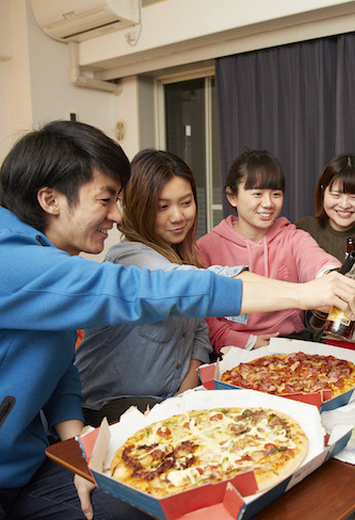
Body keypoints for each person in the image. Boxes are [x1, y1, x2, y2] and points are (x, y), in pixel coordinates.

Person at [0, 121, 355, 520]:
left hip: (26, 464)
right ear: (50, 200)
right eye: (105, 200)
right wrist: (304, 292)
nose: (116, 216)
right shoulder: (1, 262)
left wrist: (76, 445)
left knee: (147, 497)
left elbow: (59, 369)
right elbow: (150, 290)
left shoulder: (50, 260)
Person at [75, 149, 248, 427]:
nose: (178, 216)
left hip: (166, 400)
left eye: (186, 202)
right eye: (162, 206)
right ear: (140, 208)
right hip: (106, 406)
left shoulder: (186, 258)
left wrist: (182, 396)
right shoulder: (129, 259)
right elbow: (184, 284)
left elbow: (199, 336)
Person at [197, 149, 342, 351]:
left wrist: (331, 276)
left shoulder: (292, 237)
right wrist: (244, 342)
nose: (268, 203)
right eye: (257, 193)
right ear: (232, 196)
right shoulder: (206, 247)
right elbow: (203, 319)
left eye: (276, 194)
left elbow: (316, 260)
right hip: (231, 349)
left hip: (292, 345)